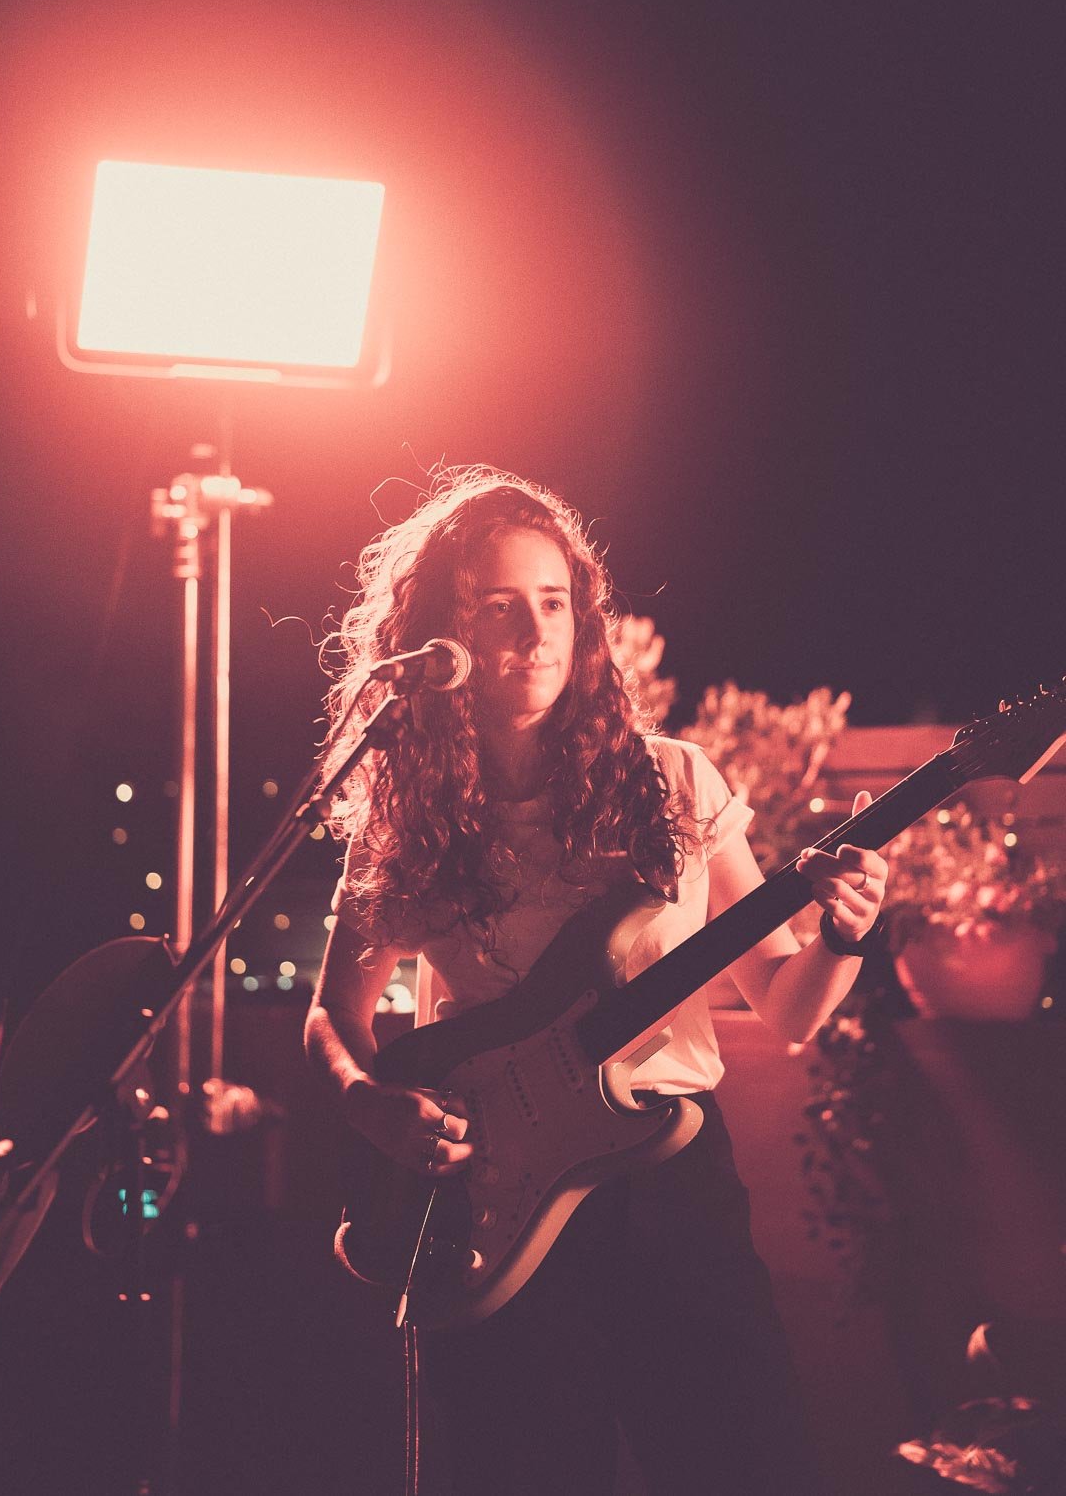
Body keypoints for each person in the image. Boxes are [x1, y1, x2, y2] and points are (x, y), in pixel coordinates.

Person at [305, 466, 888, 1496]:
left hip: (671, 1185)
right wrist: (370, 1105)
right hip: (495, 1194)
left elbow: (789, 1005)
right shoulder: (408, 818)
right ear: (444, 632)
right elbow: (334, 1014)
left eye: (554, 602)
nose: (536, 633)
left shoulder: (672, 783)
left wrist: (845, 934)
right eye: (499, 606)